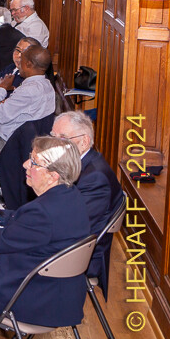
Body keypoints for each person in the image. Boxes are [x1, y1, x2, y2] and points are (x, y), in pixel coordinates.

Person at [0, 137, 90, 339]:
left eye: (34, 162)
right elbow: (30, 224)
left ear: (53, 175)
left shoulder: (41, 212)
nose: (25, 165)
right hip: (61, 293)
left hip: (33, 298)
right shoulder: (70, 196)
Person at [50, 111, 123, 293]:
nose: (55, 144)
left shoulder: (95, 177)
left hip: (78, 255)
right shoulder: (79, 163)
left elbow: (75, 227)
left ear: (84, 141)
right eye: (53, 136)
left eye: (63, 138)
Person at [0, 44, 55, 155]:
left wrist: (1, 88)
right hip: (32, 142)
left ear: (28, 64)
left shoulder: (27, 91)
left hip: (7, 143)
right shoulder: (48, 86)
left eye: (21, 59)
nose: (18, 63)